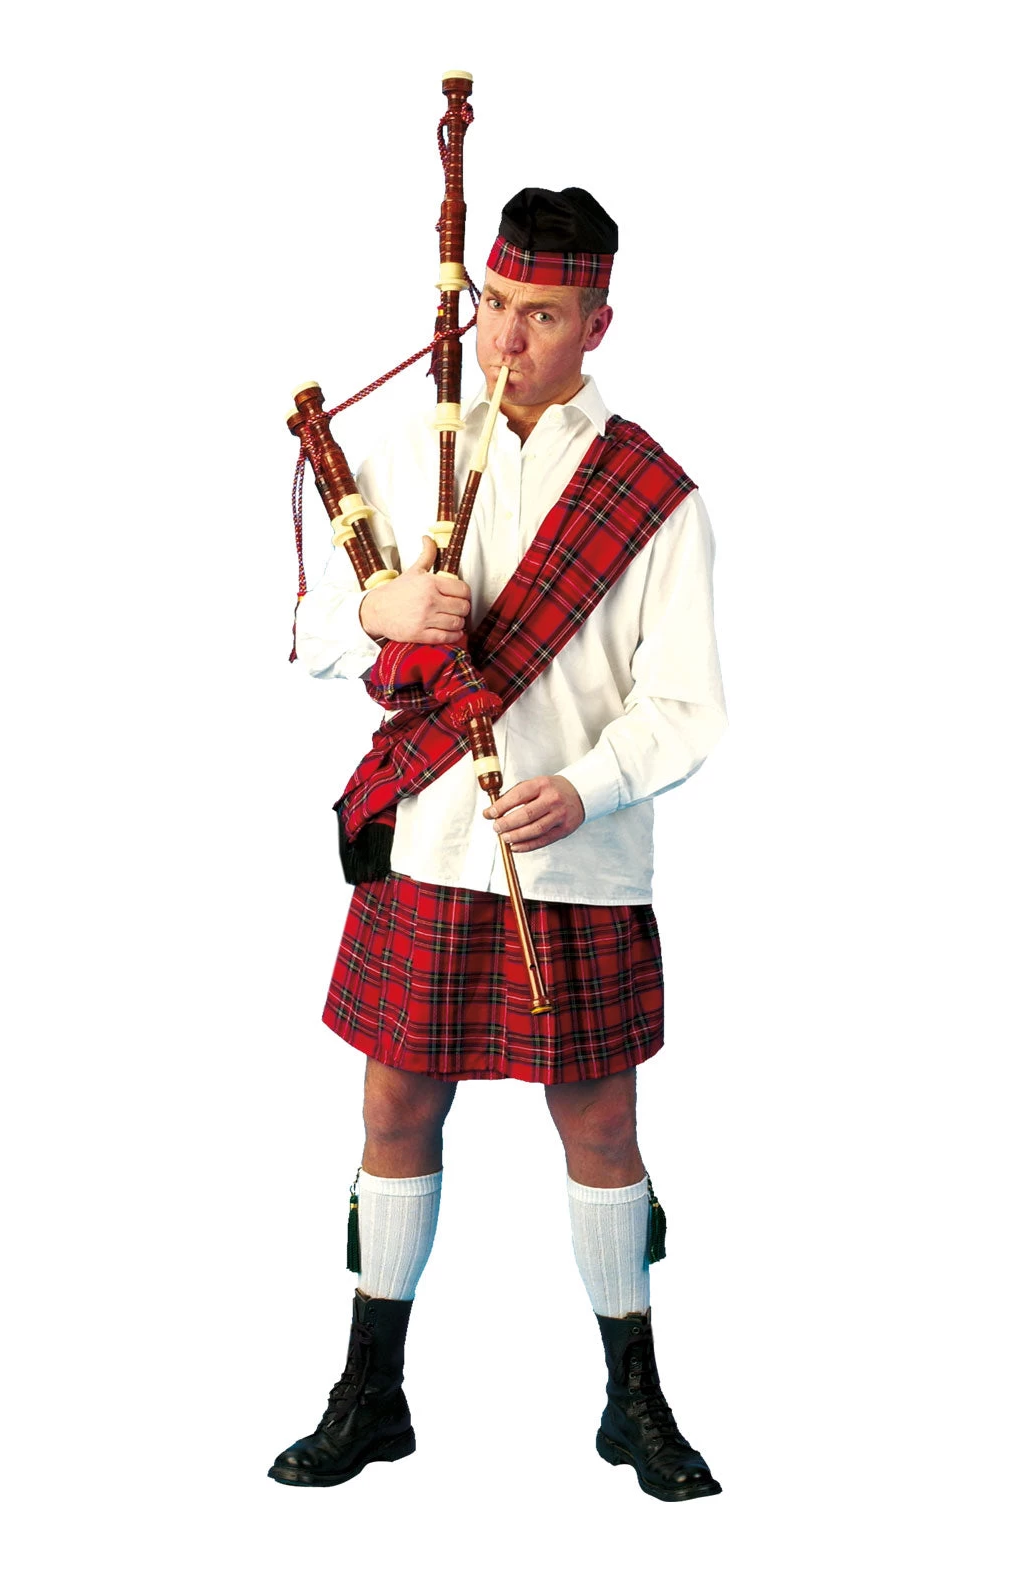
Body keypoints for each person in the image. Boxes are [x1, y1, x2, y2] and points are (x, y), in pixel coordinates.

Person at [272, 187, 728, 1502]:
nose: (507, 339)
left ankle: (634, 1399)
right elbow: (309, 631)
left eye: (542, 315)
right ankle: (371, 1393)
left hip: (576, 864)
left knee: (601, 1122)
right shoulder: (415, 449)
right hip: (427, 841)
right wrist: (378, 607)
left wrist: (588, 788)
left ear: (598, 322)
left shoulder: (653, 496)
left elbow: (686, 704)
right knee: (393, 1105)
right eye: (496, 306)